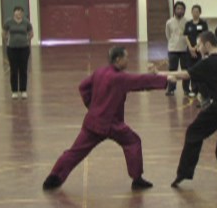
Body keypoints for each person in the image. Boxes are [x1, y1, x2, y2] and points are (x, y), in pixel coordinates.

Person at [43, 46, 175, 191]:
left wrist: (93, 107)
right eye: (126, 57)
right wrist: (165, 80)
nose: (128, 60)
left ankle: (54, 176)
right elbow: (140, 81)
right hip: (112, 125)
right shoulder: (119, 78)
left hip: (92, 122)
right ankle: (137, 179)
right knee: (133, 141)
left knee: (76, 151)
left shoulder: (100, 72)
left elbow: (83, 87)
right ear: (118, 59)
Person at [156, 31, 217, 188]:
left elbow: (184, 74)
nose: (197, 47)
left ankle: (184, 173)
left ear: (207, 45)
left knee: (193, 133)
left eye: (199, 44)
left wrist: (159, 74)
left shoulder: (207, 63)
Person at [2, 6, 33, 99]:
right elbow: (4, 32)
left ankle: (23, 90)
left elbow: (31, 33)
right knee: (14, 70)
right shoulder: (8, 22)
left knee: (23, 69)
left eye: (20, 12)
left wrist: (27, 40)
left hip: (24, 48)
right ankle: (14, 91)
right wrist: (7, 40)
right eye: (17, 12)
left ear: (22, 14)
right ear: (14, 13)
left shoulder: (26, 22)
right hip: (12, 48)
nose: (18, 13)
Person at [184, 4, 210, 106]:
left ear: (200, 12)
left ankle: (201, 90)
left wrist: (196, 47)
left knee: (201, 70)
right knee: (191, 69)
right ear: (191, 12)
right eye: (193, 11)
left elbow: (204, 36)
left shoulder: (203, 23)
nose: (195, 13)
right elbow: (186, 36)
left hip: (200, 50)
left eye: (197, 11)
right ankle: (193, 89)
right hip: (190, 51)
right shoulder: (188, 24)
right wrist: (191, 48)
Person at [165, 1, 189, 96]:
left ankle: (186, 89)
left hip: (184, 49)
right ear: (174, 10)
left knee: (185, 70)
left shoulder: (187, 22)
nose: (180, 10)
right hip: (173, 49)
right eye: (178, 8)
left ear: (184, 11)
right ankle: (171, 89)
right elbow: (168, 35)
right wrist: (173, 42)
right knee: (172, 70)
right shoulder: (169, 22)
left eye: (182, 9)